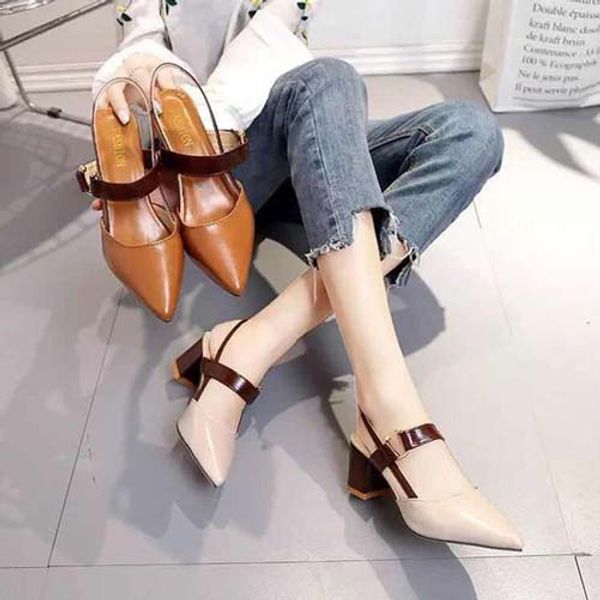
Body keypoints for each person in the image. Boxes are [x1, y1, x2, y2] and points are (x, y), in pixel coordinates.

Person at [92, 0, 523, 550]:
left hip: (304, 141)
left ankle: (253, 341)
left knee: (472, 130)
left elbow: (282, 39)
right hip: (212, 175)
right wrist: (142, 77)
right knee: (329, 77)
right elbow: (138, 50)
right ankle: (390, 409)